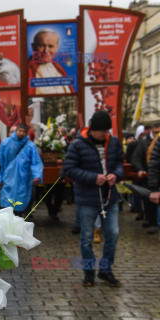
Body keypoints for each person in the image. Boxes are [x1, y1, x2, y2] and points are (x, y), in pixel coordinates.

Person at [63, 110, 124, 287]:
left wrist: (116, 175)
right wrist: (92, 177)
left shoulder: (113, 143)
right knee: (87, 238)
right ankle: (89, 272)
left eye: (107, 131)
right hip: (87, 199)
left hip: (109, 198)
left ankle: (105, 270)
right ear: (93, 129)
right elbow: (69, 169)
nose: (106, 134)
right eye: (102, 131)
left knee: (113, 234)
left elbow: (120, 164)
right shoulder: (78, 144)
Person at [0, 123, 43, 216]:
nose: (21, 133)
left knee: (20, 205)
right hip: (7, 178)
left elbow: (36, 162)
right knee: (7, 207)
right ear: (16, 130)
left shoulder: (30, 146)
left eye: (24, 131)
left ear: (26, 133)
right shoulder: (6, 143)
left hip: (23, 180)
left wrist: (37, 175)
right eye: (20, 131)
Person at [28, 29, 74, 95]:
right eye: (41, 46)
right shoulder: (27, 69)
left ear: (56, 48)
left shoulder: (58, 67)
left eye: (51, 46)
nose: (46, 51)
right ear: (33, 47)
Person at [131, 123, 160, 228]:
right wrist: (140, 169)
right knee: (149, 201)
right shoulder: (143, 143)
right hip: (149, 176)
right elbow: (136, 158)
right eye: (155, 132)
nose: (157, 134)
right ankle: (151, 221)